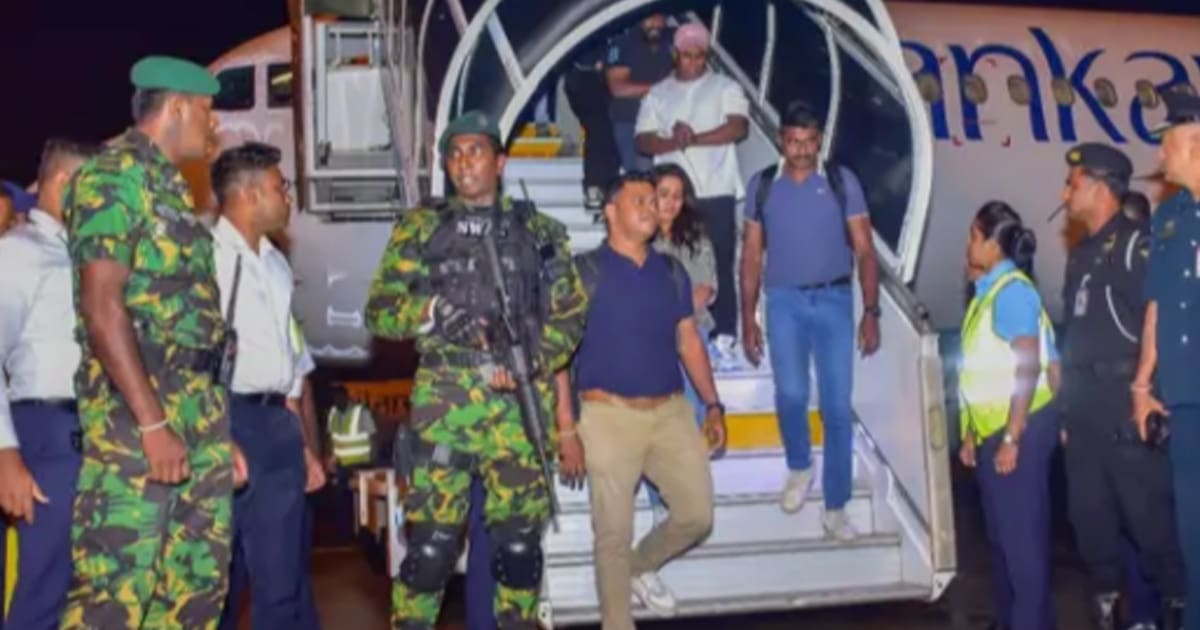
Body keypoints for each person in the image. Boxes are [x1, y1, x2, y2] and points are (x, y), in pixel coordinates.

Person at [365, 110, 587, 629]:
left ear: (500, 162)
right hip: (446, 401)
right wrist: (432, 312)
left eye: (476, 151)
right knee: (431, 548)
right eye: (455, 153)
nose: (464, 163)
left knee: (518, 549)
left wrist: (531, 360)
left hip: (517, 406)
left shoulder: (539, 231)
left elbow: (571, 312)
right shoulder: (420, 228)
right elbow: (378, 311)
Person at [59, 55, 247, 629]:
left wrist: (214, 436)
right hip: (135, 422)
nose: (212, 125)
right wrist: (152, 422)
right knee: (115, 598)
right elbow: (102, 306)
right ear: (178, 108)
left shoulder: (172, 190)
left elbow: (188, 328)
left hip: (194, 414)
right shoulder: (113, 175)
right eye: (207, 111)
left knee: (194, 594)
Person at [562, 171, 725, 629]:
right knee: (612, 535)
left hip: (670, 413)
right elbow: (557, 356)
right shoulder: (583, 272)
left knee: (697, 515)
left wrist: (713, 404)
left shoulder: (671, 272)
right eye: (641, 200)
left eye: (655, 202)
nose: (652, 208)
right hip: (606, 416)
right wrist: (565, 428)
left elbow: (689, 341)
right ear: (610, 211)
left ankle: (635, 567)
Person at [1057, 143, 1185, 630]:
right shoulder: (1080, 256)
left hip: (1124, 406)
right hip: (1085, 412)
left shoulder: (1136, 247)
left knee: (1151, 526)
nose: (1065, 194)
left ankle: (1177, 609)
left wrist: (1150, 393)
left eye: (1072, 184)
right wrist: (1068, 412)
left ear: (1098, 187)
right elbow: (1076, 337)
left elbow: (1164, 322)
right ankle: (1109, 613)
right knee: (1091, 526)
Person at [739, 101, 880, 538]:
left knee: (837, 407)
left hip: (835, 300)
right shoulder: (763, 185)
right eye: (793, 141)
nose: (801, 149)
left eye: (809, 141)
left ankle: (836, 507)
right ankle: (800, 465)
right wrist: (747, 316)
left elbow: (865, 251)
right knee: (792, 393)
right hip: (783, 301)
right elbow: (751, 255)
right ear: (781, 140)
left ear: (820, 141)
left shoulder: (841, 182)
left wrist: (871, 311)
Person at [208, 142, 324, 630]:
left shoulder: (276, 264)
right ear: (251, 195)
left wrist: (305, 447)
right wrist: (216, 432)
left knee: (282, 582)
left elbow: (291, 361)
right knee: (216, 579)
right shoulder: (206, 260)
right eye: (281, 187)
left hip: (277, 424)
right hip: (227, 420)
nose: (288, 197)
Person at [0, 139, 98, 630]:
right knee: (42, 591)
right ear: (64, 182)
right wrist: (6, 454)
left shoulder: (78, 254)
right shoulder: (19, 252)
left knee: (73, 592)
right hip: (43, 432)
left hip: (84, 434)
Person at [958, 201, 1059, 630]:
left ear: (992, 245)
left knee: (1022, 551)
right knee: (1004, 544)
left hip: (1018, 432)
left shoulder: (1013, 293)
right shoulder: (989, 293)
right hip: (994, 432)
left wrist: (1013, 437)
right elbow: (979, 371)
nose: (968, 245)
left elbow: (1029, 367)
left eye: (973, 236)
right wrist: (970, 433)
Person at [635, 21, 749, 349]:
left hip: (716, 189)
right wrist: (674, 141)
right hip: (672, 197)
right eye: (687, 55)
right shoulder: (658, 93)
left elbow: (738, 128)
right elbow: (642, 140)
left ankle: (725, 332)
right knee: (670, 263)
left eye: (700, 55)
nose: (694, 62)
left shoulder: (726, 86)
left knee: (721, 262)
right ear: (675, 54)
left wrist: (693, 139)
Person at [1133, 89, 1200, 629]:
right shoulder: (1170, 216)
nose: (1160, 156)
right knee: (1193, 538)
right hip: (1183, 399)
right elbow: (1156, 301)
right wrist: (1141, 386)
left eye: (1168, 143)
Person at [643, 163, 723, 521]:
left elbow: (705, 289)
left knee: (690, 420)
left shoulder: (696, 236)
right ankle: (660, 505)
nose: (671, 202)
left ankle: (689, 500)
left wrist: (672, 310)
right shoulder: (636, 236)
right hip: (649, 339)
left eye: (677, 196)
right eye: (664, 194)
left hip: (691, 333)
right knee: (652, 424)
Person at [606, 13, 673, 174]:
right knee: (640, 176)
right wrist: (661, 88)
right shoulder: (623, 43)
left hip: (665, 121)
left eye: (659, 18)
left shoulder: (672, 40)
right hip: (630, 121)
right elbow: (618, 88)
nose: (655, 23)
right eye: (650, 18)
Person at [564, 33, 620, 210]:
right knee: (598, 126)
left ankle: (607, 187)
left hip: (606, 78)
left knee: (609, 128)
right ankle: (594, 187)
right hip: (586, 76)